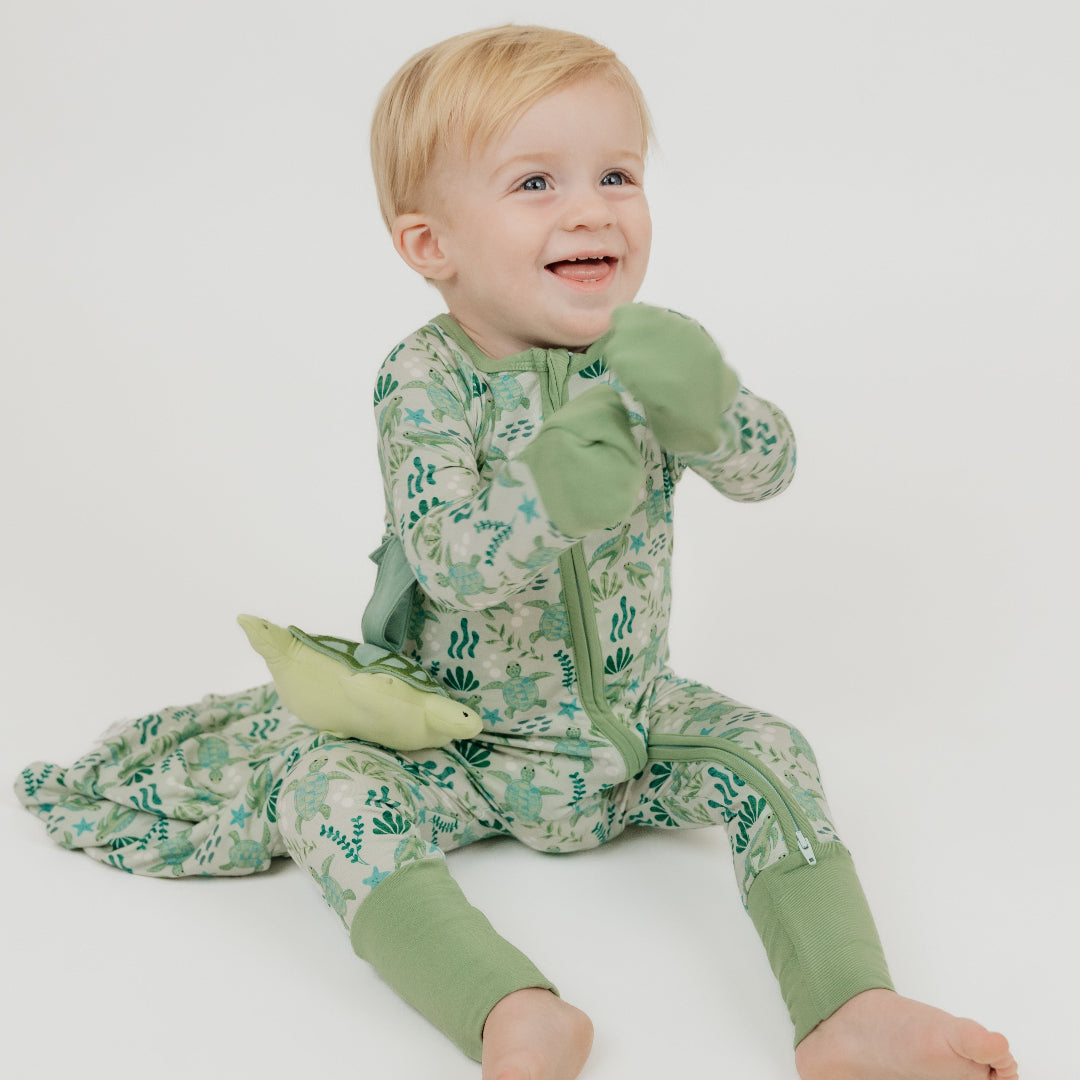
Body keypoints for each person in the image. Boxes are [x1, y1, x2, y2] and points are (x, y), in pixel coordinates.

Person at [16, 24, 1018, 1080]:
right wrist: (547, 494)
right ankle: (506, 1008)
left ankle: (848, 1009)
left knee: (772, 751)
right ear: (428, 245)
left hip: (631, 734)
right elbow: (447, 558)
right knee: (323, 795)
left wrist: (714, 405)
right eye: (534, 181)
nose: (590, 208)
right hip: (468, 745)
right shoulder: (425, 379)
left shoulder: (645, 349)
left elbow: (768, 471)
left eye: (617, 174)